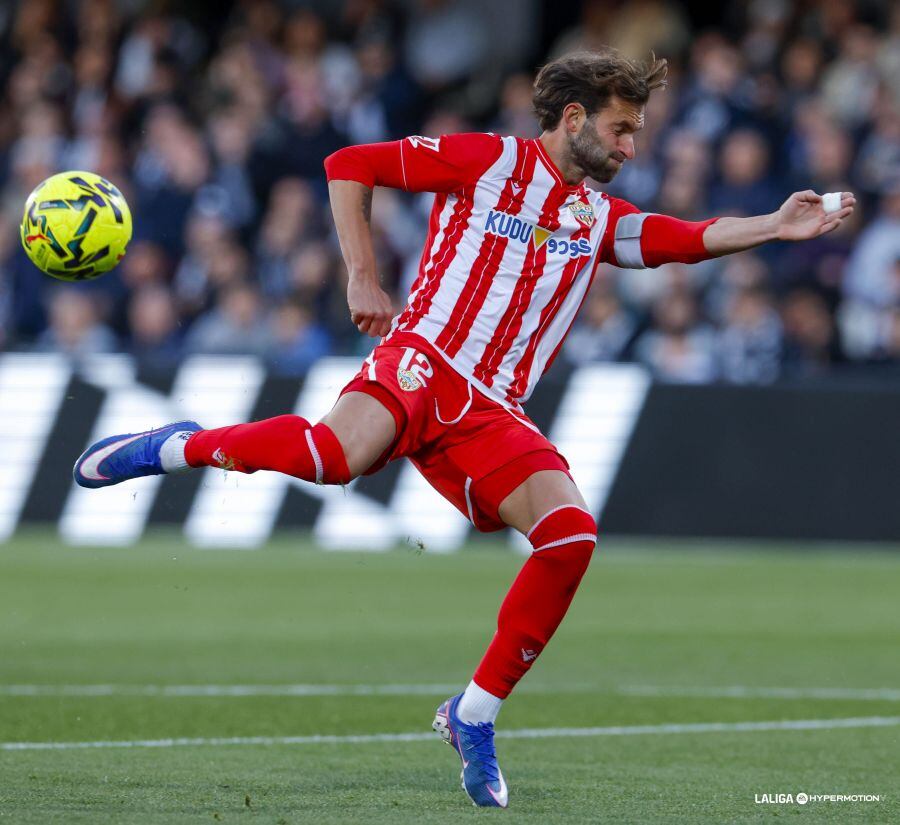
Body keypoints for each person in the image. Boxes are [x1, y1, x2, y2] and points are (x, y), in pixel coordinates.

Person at [72, 49, 855, 808]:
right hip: (424, 357)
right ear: (574, 117)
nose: (630, 145)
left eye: (637, 133)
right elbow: (349, 163)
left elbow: (678, 239)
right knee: (330, 456)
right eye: (622, 128)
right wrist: (362, 273)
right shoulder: (487, 161)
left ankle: (473, 713)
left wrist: (775, 225)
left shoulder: (594, 216)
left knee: (571, 535)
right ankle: (175, 445)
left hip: (493, 410)